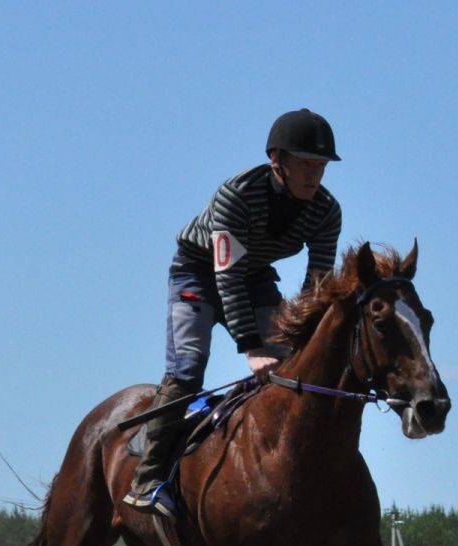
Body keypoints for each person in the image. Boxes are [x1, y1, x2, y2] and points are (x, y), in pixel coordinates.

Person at [125, 109, 344, 512]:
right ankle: (148, 477)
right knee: (188, 368)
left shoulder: (326, 212)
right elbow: (226, 277)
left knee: (287, 365)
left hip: (256, 275)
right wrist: (250, 347)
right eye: (306, 165)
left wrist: (301, 345)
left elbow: (318, 288)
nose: (315, 175)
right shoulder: (237, 194)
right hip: (198, 272)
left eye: (321, 166)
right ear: (277, 160)